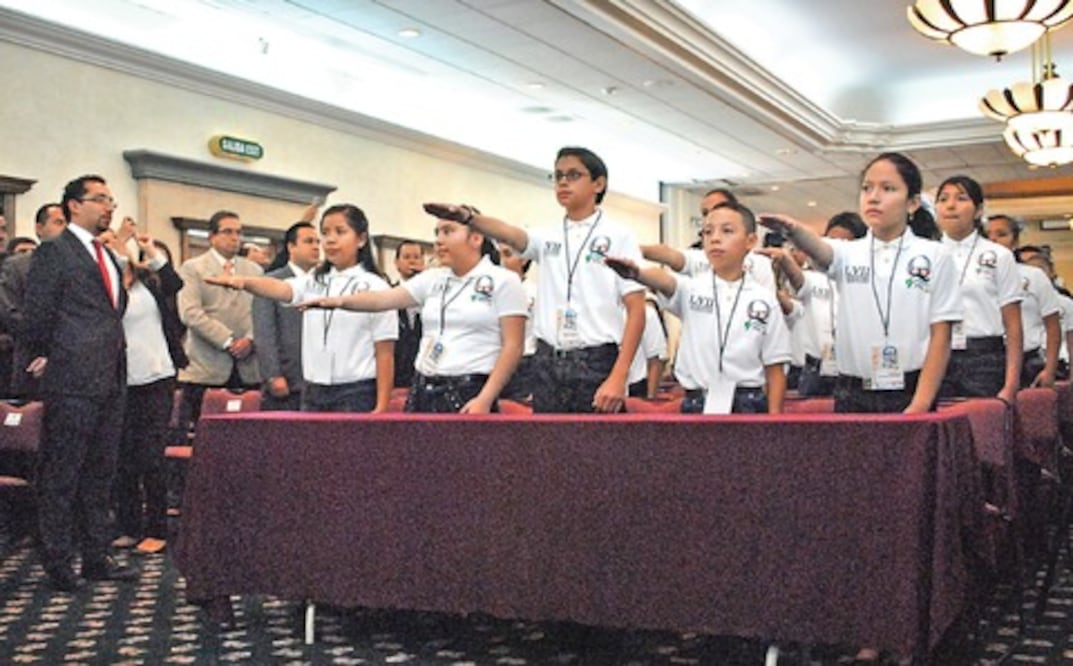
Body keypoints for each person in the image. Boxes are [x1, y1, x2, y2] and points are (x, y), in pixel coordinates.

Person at [423, 146, 645, 414]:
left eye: (573, 175)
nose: (563, 182)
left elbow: (636, 310)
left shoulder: (619, 235)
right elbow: (510, 233)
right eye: (558, 175)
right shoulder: (548, 235)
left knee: (595, 452)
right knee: (547, 451)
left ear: (599, 183)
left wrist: (619, 376)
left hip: (596, 359)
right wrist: (470, 219)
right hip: (546, 360)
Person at [760, 152, 962, 414]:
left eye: (888, 189)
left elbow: (941, 336)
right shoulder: (849, 252)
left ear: (912, 203)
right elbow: (820, 249)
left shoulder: (935, 255)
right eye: (867, 188)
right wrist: (792, 229)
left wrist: (920, 404)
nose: (874, 197)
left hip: (911, 390)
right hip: (851, 392)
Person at [22, 175, 136, 590]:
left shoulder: (105, 253)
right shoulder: (56, 251)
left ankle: (95, 555)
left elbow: (111, 312)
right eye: (100, 199)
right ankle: (57, 560)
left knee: (101, 473)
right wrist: (44, 356)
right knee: (62, 473)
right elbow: (37, 312)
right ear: (73, 205)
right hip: (72, 378)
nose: (109, 207)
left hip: (110, 377)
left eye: (111, 199)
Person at [298, 208, 526, 413]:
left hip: (470, 387)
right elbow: (383, 300)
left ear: (476, 237)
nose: (438, 241)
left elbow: (513, 346)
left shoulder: (503, 281)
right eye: (437, 233)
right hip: (423, 386)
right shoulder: (433, 279)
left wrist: (485, 399)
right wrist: (341, 301)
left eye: (448, 232)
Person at [206, 204, 396, 412]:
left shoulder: (377, 286)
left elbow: (384, 352)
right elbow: (281, 288)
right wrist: (245, 282)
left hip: (355, 392)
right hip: (313, 391)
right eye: (325, 233)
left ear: (361, 239)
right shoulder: (314, 280)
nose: (330, 240)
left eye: (340, 232)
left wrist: (382, 407)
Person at [606, 201, 790, 413]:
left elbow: (775, 369)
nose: (715, 238)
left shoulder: (765, 299)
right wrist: (638, 273)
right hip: (697, 401)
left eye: (727, 231)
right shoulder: (692, 288)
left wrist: (774, 422)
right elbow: (665, 280)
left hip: (748, 400)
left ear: (750, 241)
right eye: (707, 232)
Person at [107, 220, 187, 553]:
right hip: (121, 380)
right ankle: (128, 526)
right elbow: (112, 313)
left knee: (151, 457)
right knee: (123, 457)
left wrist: (148, 247)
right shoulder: (106, 288)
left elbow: (174, 281)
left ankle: (157, 528)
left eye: (119, 244)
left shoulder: (151, 282)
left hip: (157, 376)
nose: (117, 248)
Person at [933, 176, 1022, 401]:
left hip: (984, 359)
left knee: (983, 430)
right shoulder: (924, 255)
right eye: (943, 199)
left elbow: (1013, 325)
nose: (950, 205)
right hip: (934, 356)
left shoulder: (998, 255)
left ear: (978, 210)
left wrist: (1012, 384)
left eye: (961, 198)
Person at [175, 211, 263, 431]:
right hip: (207, 366)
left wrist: (250, 339)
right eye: (227, 232)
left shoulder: (254, 271)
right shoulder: (193, 268)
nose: (235, 237)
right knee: (205, 436)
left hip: (247, 368)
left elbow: (262, 312)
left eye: (238, 232)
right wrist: (228, 340)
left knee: (246, 436)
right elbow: (190, 312)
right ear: (211, 237)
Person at [0, 202, 67, 397]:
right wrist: (47, 344)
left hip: (71, 365)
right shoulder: (18, 266)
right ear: (39, 228)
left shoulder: (78, 267)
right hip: (31, 360)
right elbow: (11, 312)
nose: (64, 229)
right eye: (58, 222)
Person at [986, 214, 1061, 388]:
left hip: (1028, 361)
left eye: (1001, 234)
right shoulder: (972, 276)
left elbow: (1053, 325)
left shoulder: (1033, 275)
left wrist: (1050, 369)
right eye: (987, 234)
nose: (993, 240)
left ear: (1015, 241)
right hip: (986, 361)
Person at [252, 221, 321, 411]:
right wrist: (273, 374)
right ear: (291, 247)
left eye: (317, 242)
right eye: (309, 241)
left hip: (322, 382)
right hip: (287, 380)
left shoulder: (326, 282)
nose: (316, 247)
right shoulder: (271, 281)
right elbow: (264, 332)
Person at [497, 241, 537, 401]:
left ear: (524, 259)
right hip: (493, 361)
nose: (502, 262)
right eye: (499, 255)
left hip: (525, 363)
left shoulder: (536, 292)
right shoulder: (491, 291)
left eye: (507, 255)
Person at [392, 240, 426, 388]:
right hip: (396, 374)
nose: (412, 261)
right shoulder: (387, 294)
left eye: (416, 257)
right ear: (396, 262)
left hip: (424, 373)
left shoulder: (432, 297)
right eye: (406, 257)